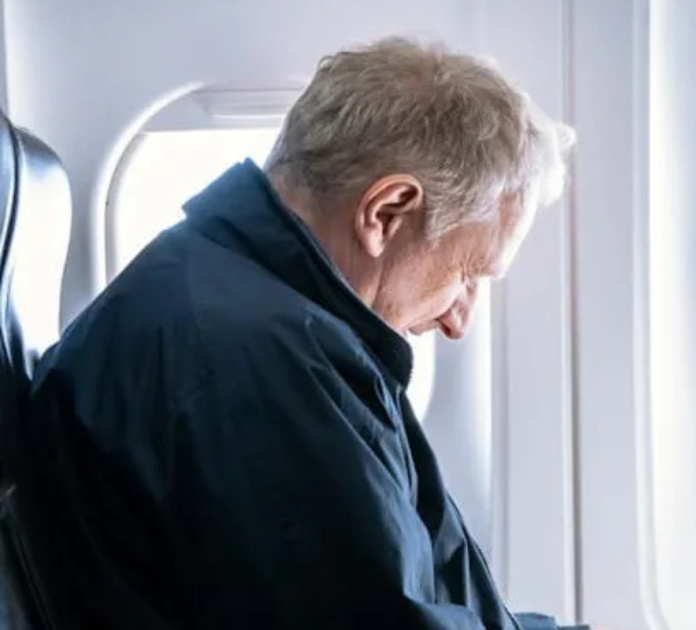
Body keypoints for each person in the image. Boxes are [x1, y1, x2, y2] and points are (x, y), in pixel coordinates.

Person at [9, 37, 591, 630]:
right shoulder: (251, 367)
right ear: (386, 213)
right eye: (468, 272)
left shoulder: (263, 315)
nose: (459, 320)